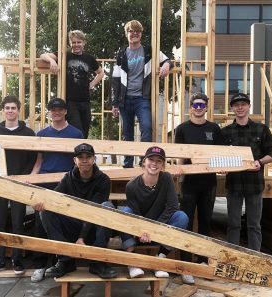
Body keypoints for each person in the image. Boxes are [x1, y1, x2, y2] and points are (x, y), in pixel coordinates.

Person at [33, 143, 117, 279]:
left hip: (93, 231)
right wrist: (41, 201)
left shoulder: (103, 180)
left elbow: (94, 210)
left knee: (107, 207)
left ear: (94, 159)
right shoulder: (68, 178)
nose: (84, 160)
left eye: (88, 157)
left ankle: (98, 263)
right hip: (72, 228)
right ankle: (65, 261)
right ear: (74, 160)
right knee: (46, 211)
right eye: (80, 157)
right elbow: (54, 197)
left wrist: (82, 237)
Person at [28, 97, 83, 282]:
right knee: (40, 223)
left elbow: (77, 163)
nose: (56, 112)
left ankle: (64, 262)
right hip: (45, 182)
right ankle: (40, 265)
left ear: (66, 111)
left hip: (67, 183)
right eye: (53, 109)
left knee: (65, 221)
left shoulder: (76, 134)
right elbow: (39, 160)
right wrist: (32, 178)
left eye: (60, 109)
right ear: (49, 112)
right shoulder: (41, 134)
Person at [0, 95, 37, 276]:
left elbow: (33, 158)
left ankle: (17, 260)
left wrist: (26, 177)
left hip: (19, 184)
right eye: (7, 108)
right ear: (3, 110)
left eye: (13, 108)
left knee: (17, 223)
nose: (10, 111)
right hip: (0, 184)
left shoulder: (28, 133)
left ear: (19, 110)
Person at [120, 146, 190, 282]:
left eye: (159, 161)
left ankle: (159, 260)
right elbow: (134, 213)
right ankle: (132, 261)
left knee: (182, 217)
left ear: (163, 165)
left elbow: (172, 207)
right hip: (139, 233)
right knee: (125, 212)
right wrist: (142, 230)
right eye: (151, 159)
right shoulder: (132, 186)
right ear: (144, 162)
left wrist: (153, 228)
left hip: (160, 229)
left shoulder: (166, 179)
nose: (154, 163)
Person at [111, 20, 173, 168]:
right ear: (126, 34)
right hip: (125, 99)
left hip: (142, 98)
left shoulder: (149, 50)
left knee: (146, 128)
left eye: (137, 31)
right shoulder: (121, 54)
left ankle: (143, 161)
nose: (134, 34)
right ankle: (127, 164)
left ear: (141, 34)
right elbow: (115, 79)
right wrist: (114, 103)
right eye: (131, 31)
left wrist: (165, 65)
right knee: (127, 133)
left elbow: (168, 60)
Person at [174, 93, 222, 282]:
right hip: (189, 183)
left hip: (209, 183)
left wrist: (222, 168)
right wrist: (179, 169)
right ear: (190, 107)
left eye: (202, 104)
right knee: (185, 221)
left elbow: (220, 153)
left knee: (205, 222)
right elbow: (180, 153)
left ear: (207, 107)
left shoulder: (214, 129)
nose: (199, 107)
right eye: (195, 104)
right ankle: (186, 264)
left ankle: (202, 261)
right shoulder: (182, 128)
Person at [221, 93, 272, 252]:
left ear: (249, 106)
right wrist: (222, 166)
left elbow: (271, 155)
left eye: (243, 104)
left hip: (255, 185)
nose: (240, 107)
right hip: (234, 185)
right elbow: (219, 156)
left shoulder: (262, 129)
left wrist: (259, 161)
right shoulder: (226, 132)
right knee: (233, 224)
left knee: (254, 225)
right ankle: (232, 258)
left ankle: (255, 257)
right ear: (232, 108)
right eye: (236, 105)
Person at [40, 30, 104, 139]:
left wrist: (91, 84)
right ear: (70, 43)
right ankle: (75, 154)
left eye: (79, 42)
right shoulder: (65, 56)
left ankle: (80, 155)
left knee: (85, 132)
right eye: (73, 42)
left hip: (85, 100)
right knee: (77, 131)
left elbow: (101, 73)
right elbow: (43, 55)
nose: (76, 45)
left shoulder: (89, 58)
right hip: (70, 101)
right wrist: (52, 61)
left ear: (84, 43)